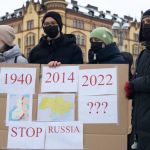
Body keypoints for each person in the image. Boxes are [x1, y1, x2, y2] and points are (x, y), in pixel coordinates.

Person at [124, 9, 150, 150]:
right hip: (140, 128)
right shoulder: (143, 53)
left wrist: (134, 84)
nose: (147, 25)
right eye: (144, 22)